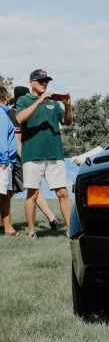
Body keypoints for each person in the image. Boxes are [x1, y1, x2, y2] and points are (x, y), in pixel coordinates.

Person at [16, 69, 73, 239]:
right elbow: (20, 118)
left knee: (62, 193)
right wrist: (39, 101)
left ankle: (71, 231)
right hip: (32, 154)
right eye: (40, 80)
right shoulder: (23, 100)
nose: (44, 83)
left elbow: (67, 122)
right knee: (32, 194)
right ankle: (32, 232)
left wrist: (67, 105)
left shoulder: (55, 104)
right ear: (31, 82)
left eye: (46, 81)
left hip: (54, 154)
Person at [7, 86, 66, 233]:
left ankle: (52, 219)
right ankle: (52, 219)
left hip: (11, 158)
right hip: (20, 157)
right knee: (32, 191)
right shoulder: (15, 115)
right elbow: (17, 141)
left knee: (11, 193)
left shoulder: (10, 113)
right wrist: (26, 158)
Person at [0, 86, 18, 235]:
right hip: (3, 162)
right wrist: (5, 160)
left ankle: (8, 228)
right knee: (3, 195)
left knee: (5, 194)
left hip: (3, 162)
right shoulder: (1, 114)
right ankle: (8, 229)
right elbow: (2, 139)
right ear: (6, 98)